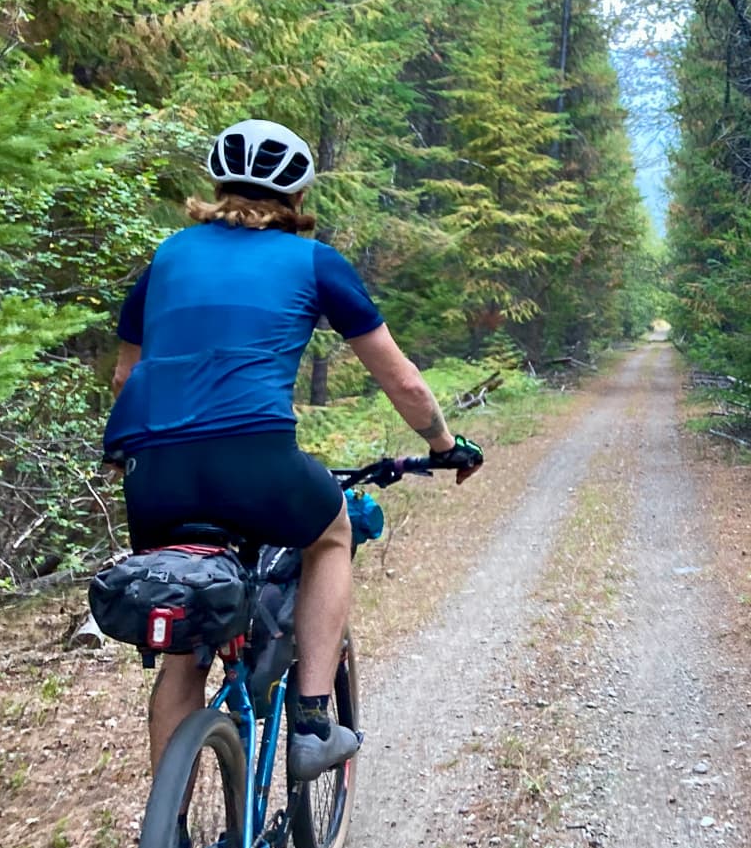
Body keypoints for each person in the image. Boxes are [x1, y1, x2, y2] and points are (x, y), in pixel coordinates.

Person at [105, 119, 483, 781]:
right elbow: (403, 381)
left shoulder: (165, 259)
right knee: (331, 532)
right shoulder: (312, 262)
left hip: (153, 474)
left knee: (183, 648)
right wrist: (444, 444)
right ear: (299, 199)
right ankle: (311, 720)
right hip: (255, 463)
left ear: (217, 186)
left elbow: (123, 378)